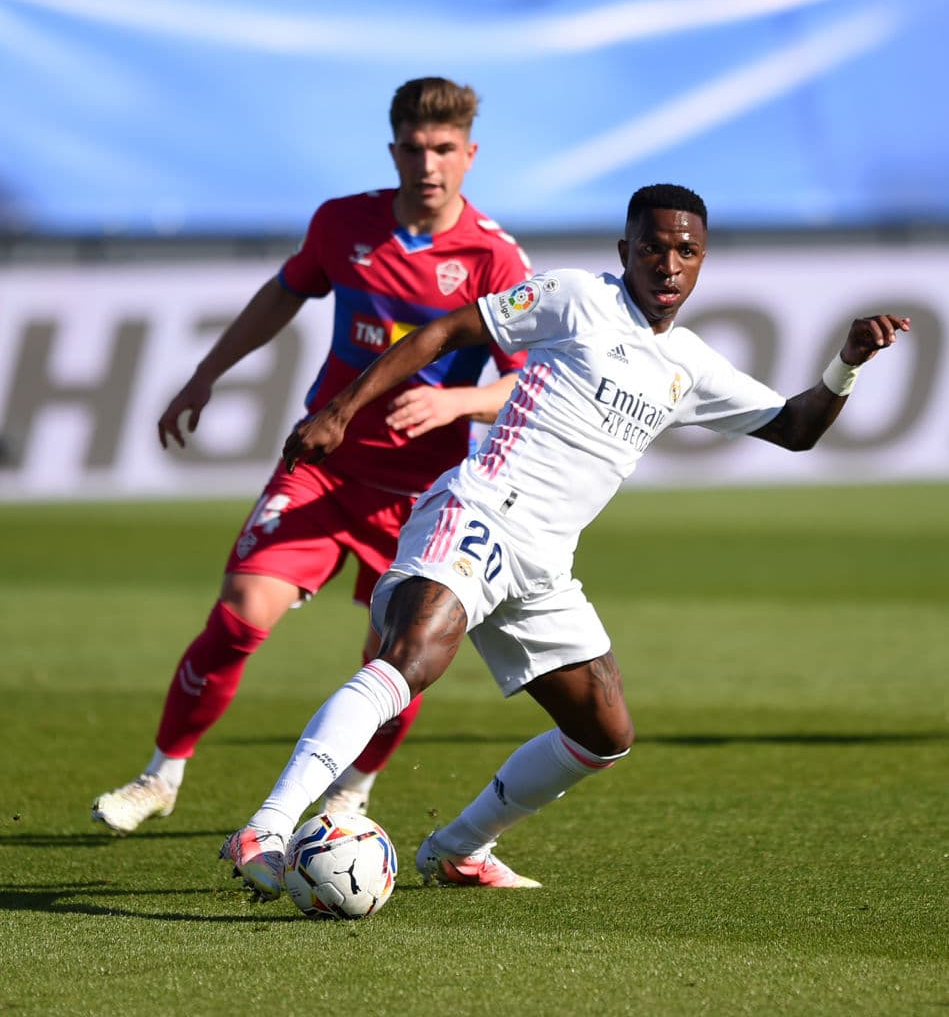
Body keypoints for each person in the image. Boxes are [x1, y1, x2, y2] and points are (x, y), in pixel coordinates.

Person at [219, 182, 909, 899]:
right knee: (412, 659)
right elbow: (444, 333)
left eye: (685, 251)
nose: (667, 264)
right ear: (625, 251)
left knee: (603, 734)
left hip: (544, 561)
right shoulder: (577, 297)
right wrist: (339, 409)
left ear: (701, 261)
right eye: (652, 247)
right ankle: (266, 827)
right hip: (482, 508)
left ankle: (457, 849)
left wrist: (847, 363)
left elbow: (794, 428)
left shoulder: (692, 366)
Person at [91, 77, 532, 835]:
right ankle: (161, 775)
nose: (428, 165)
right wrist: (204, 374)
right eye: (414, 149)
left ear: (470, 153)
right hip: (325, 464)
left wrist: (456, 402)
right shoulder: (341, 225)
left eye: (444, 150)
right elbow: (283, 292)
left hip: (424, 496)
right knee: (238, 616)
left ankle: (348, 799)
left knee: (394, 661)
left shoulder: (493, 259)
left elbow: (525, 384)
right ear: (393, 149)